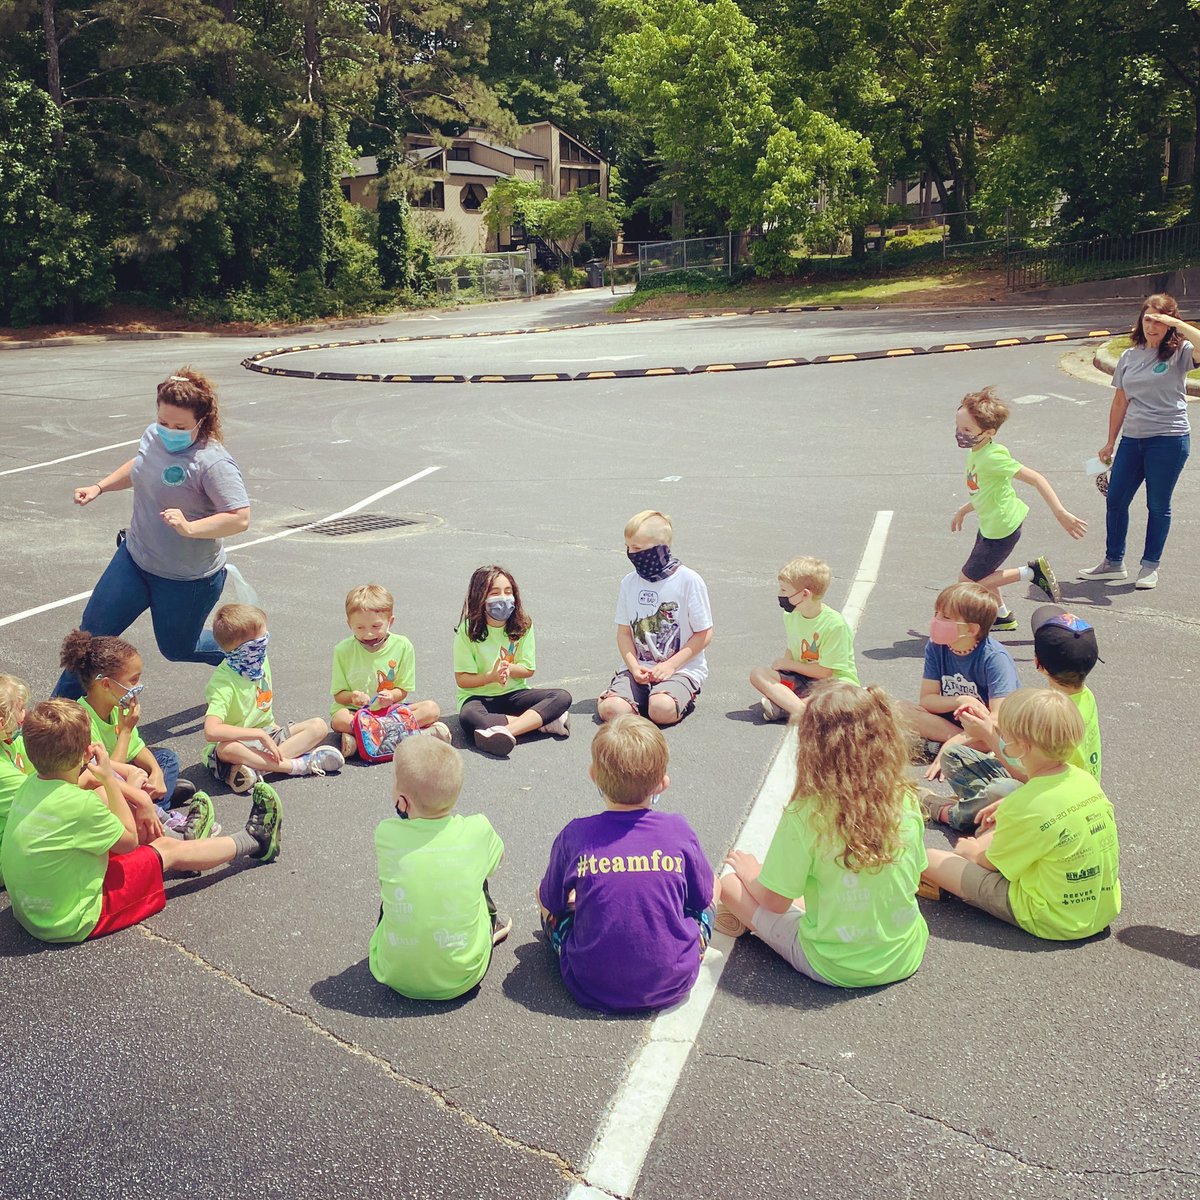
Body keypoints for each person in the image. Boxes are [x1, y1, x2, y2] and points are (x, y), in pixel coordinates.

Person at [1, 700, 281, 944]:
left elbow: (84, 781)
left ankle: (187, 849)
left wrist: (130, 793)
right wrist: (110, 777)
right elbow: (128, 841)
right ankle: (255, 841)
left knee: (101, 807)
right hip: (70, 920)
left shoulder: (30, 785)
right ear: (87, 753)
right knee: (165, 849)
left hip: (31, 911)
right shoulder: (80, 804)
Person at [54, 370, 252, 700]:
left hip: (185, 579)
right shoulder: (153, 435)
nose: (168, 432)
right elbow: (141, 465)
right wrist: (99, 487)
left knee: (178, 647)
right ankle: (54, 722)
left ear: (202, 421)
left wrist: (190, 528)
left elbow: (240, 518)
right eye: (163, 422)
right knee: (89, 642)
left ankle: (244, 652)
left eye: (179, 427)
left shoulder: (212, 462)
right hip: (135, 559)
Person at [719, 682, 928, 988]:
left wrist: (753, 875)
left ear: (812, 747)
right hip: (904, 953)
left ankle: (748, 920)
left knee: (729, 884)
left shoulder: (808, 813)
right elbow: (916, 876)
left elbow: (774, 902)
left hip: (832, 963)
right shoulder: (904, 798)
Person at [538, 715, 718, 1012]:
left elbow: (551, 902)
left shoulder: (576, 835)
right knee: (713, 886)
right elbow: (702, 898)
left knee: (543, 896)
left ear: (593, 775)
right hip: (673, 980)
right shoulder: (678, 830)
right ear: (662, 783)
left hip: (587, 982)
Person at [922, 689, 1120, 941]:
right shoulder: (1085, 780)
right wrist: (1011, 803)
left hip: (1052, 918)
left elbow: (986, 862)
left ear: (1021, 748)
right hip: (1100, 911)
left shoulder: (1027, 805)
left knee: (930, 858)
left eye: (1005, 736)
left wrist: (968, 850)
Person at [933, 605, 1102, 831]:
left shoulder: (1046, 715)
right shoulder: (1083, 696)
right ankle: (986, 813)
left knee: (1002, 789)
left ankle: (951, 814)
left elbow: (1028, 776)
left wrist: (988, 734)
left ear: (1038, 664)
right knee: (956, 753)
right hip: (1071, 792)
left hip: (1051, 802)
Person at [369, 737, 510, 1001]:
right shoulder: (477, 829)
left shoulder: (385, 833)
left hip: (392, 974)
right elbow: (498, 859)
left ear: (403, 801)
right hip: (463, 977)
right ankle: (488, 928)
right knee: (478, 874)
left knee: (403, 882)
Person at [1080, 294, 1200, 590]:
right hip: (1132, 441)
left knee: (1158, 505)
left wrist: (1176, 324)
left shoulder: (1180, 352)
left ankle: (1149, 566)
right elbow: (1120, 400)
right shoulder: (1129, 356)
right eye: (1148, 319)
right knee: (1116, 499)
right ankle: (1113, 562)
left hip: (1169, 440)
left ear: (1170, 323)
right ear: (1140, 320)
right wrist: (1110, 441)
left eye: (1159, 321)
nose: (1152, 326)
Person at [952, 386, 1087, 630]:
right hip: (990, 525)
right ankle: (1001, 616)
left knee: (969, 582)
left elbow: (1036, 478)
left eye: (967, 430)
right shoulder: (977, 451)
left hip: (1001, 528)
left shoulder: (993, 457)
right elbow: (984, 492)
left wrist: (1060, 512)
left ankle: (1032, 573)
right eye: (959, 427)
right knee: (986, 574)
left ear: (989, 432)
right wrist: (964, 509)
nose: (960, 434)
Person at [59, 629, 198, 842]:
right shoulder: (82, 721)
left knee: (166, 759)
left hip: (123, 774)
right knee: (140, 777)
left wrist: (156, 774)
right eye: (133, 680)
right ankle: (158, 815)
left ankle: (156, 798)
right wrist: (125, 730)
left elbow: (137, 747)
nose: (137, 687)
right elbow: (106, 775)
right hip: (104, 784)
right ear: (105, 684)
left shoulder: (115, 706)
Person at [204, 603, 343, 791]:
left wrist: (266, 733)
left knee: (318, 726)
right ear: (246, 649)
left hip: (269, 734)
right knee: (225, 749)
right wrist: (258, 734)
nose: (265, 644)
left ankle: (255, 769)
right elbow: (211, 731)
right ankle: (299, 765)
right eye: (260, 641)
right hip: (240, 745)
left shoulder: (258, 662)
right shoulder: (223, 683)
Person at [597, 510, 713, 727]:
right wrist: (633, 667)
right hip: (639, 667)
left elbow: (704, 633)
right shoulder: (629, 582)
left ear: (661, 548)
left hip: (680, 669)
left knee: (661, 710)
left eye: (638, 548)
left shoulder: (689, 581)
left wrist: (670, 666)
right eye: (628, 547)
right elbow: (623, 632)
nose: (631, 553)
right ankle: (624, 696)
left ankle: (675, 697)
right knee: (612, 711)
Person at [901, 583, 1020, 782]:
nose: (937, 620)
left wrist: (958, 740)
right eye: (936, 613)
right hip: (954, 724)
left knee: (997, 732)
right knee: (901, 710)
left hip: (988, 727)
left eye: (946, 617)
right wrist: (959, 700)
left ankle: (955, 746)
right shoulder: (936, 646)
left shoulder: (994, 657)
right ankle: (962, 747)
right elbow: (927, 699)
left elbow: (999, 718)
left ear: (972, 629)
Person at [452, 565, 572, 757]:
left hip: (514, 693)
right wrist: (490, 677)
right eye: (495, 592)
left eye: (508, 592)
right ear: (480, 597)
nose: (503, 598)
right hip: (478, 697)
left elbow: (528, 669)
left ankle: (507, 731)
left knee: (561, 697)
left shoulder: (523, 625)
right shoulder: (467, 631)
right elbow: (462, 679)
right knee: (469, 718)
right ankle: (541, 722)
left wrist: (510, 669)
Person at [330, 583, 449, 758]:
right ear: (349, 624)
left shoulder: (403, 646)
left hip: (390, 712)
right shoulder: (343, 650)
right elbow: (338, 695)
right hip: (359, 714)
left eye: (376, 626)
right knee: (339, 719)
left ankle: (363, 740)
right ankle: (422, 736)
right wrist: (352, 697)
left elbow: (403, 689)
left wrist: (393, 696)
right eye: (360, 628)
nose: (368, 634)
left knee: (431, 709)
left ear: (390, 622)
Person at [749, 555, 859, 722]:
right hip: (803, 679)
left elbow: (825, 672)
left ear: (805, 594)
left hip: (833, 683)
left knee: (837, 697)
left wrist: (789, 665)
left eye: (784, 590)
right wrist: (783, 671)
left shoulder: (834, 625)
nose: (780, 594)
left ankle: (791, 707)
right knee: (758, 674)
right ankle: (801, 709)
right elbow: (793, 647)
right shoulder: (791, 615)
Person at [0, 674, 36, 887]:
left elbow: (40, 760)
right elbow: (42, 799)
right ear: (2, 722)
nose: (26, 714)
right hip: (5, 860)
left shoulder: (8, 743)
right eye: (21, 709)